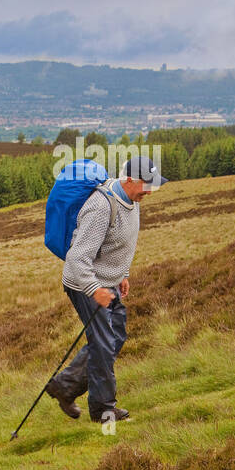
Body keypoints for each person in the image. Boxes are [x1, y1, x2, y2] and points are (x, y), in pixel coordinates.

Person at [47, 155, 165, 424]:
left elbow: (121, 243)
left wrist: (122, 274)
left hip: (109, 282)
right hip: (85, 284)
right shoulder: (101, 206)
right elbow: (78, 257)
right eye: (147, 184)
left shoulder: (132, 200)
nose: (150, 190)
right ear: (130, 179)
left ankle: (64, 386)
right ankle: (103, 409)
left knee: (115, 337)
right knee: (102, 344)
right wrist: (93, 288)